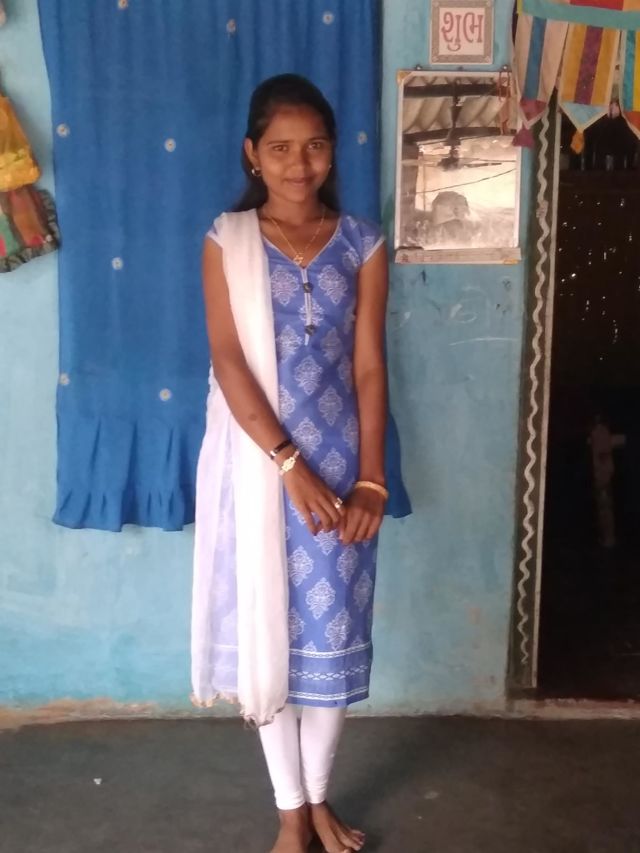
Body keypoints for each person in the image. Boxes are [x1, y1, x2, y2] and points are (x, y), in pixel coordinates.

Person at [191, 74, 389, 853]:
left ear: (332, 151)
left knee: (331, 636)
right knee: (265, 631)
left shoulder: (363, 242)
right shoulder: (227, 241)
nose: (298, 164)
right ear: (252, 153)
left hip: (342, 470)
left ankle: (318, 797)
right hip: (259, 465)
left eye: (314, 146)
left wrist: (370, 477)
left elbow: (369, 366)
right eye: (279, 148)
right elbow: (228, 359)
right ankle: (291, 814)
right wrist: (286, 463)